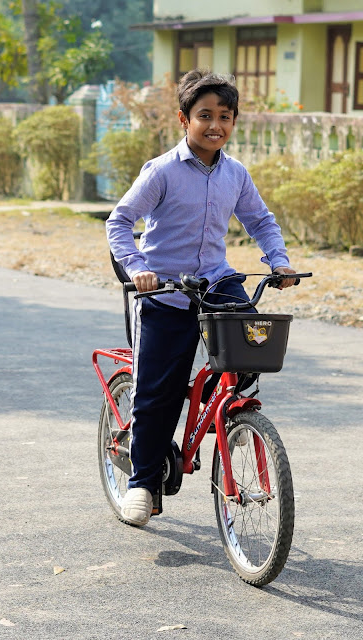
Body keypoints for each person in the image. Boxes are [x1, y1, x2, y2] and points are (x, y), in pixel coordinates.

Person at [106, 69, 296, 526]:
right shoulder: (163, 171)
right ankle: (143, 482)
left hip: (215, 283)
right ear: (183, 119)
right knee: (156, 395)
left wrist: (280, 260)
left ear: (233, 122)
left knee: (254, 348)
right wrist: (138, 269)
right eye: (205, 115)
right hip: (166, 291)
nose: (216, 125)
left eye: (225, 116)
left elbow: (261, 221)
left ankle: (220, 406)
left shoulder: (235, 173)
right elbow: (119, 221)